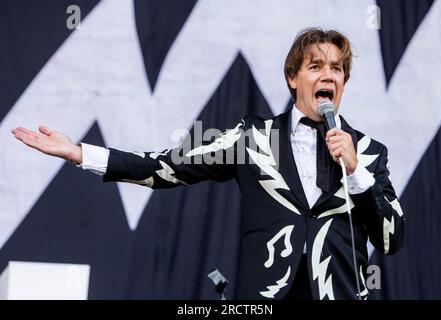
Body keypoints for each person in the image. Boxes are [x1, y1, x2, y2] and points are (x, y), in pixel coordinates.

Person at [11, 27, 404, 300]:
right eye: (316, 66)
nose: (328, 75)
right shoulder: (252, 138)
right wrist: (82, 153)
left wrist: (356, 172)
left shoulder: (368, 152)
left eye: (336, 68)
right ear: (292, 77)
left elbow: (391, 239)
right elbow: (167, 167)